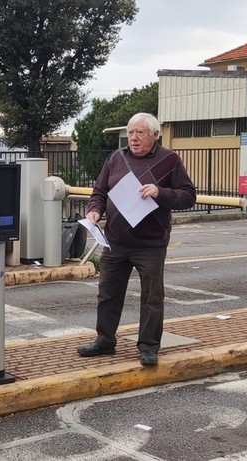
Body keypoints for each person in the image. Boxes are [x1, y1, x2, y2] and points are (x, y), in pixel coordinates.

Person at [76, 113, 196, 367]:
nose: (133, 138)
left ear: (155, 135)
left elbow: (188, 196)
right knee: (108, 293)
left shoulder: (170, 160)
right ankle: (105, 340)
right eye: (131, 132)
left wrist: (160, 192)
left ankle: (149, 347)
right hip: (116, 242)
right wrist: (94, 211)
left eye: (140, 132)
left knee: (152, 297)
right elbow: (100, 192)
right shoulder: (116, 158)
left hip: (150, 244)